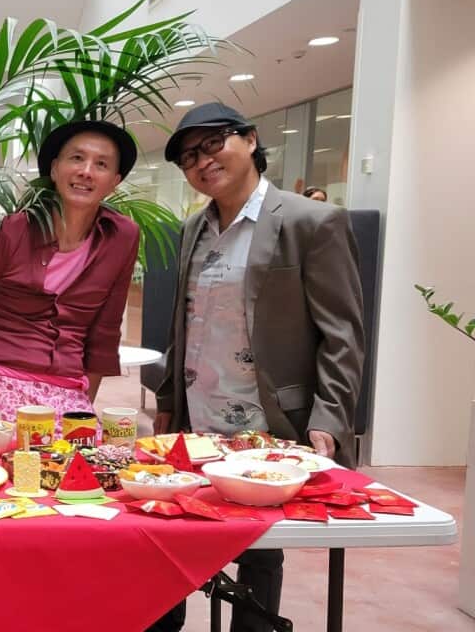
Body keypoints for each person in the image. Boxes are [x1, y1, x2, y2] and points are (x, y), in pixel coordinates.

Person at [149, 102, 365, 632]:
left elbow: (343, 332)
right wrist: (169, 404)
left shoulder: (311, 221)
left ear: (249, 140)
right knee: (173, 543)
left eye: (212, 144)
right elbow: (185, 323)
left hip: (270, 426)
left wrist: (329, 418)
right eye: (187, 157)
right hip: (197, 423)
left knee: (260, 555)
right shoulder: (192, 229)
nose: (201, 162)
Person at [0, 120, 140, 442]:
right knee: (25, 454)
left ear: (114, 182)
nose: (86, 171)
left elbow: (104, 332)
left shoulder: (122, 237)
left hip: (68, 384)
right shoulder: (8, 233)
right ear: (55, 169)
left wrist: (82, 411)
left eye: (101, 164)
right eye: (76, 158)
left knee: (91, 460)